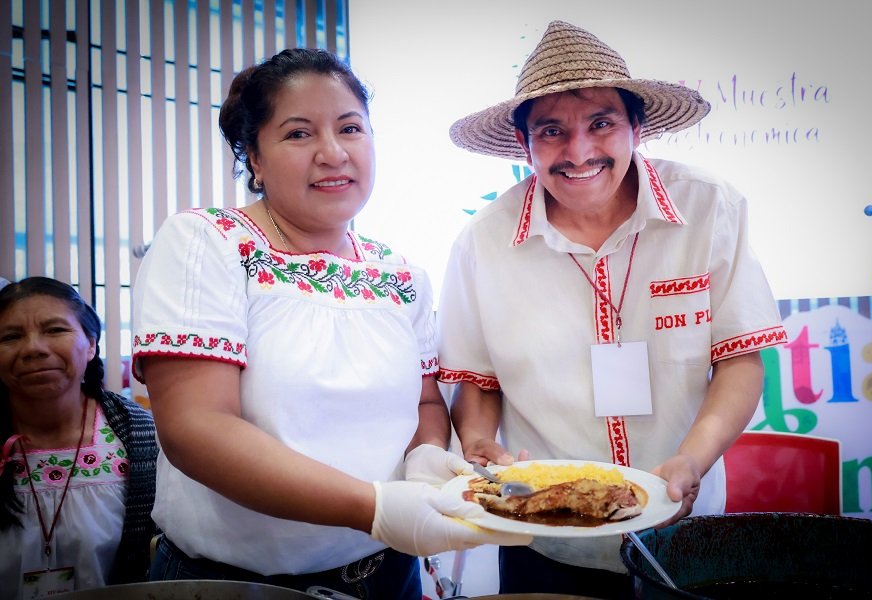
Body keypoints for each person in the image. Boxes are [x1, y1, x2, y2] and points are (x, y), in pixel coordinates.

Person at [130, 47, 529, 600]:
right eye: (298, 134)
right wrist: (377, 508)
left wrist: (425, 461)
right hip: (236, 586)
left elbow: (425, 403)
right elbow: (197, 430)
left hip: (387, 577)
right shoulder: (208, 243)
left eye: (351, 128)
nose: (333, 153)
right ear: (255, 157)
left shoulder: (400, 273)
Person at [437, 20, 788, 598]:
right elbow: (477, 384)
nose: (579, 152)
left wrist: (692, 462)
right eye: (551, 131)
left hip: (687, 526)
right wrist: (478, 443)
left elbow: (740, 361)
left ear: (637, 128)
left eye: (601, 124)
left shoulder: (708, 208)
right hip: (543, 532)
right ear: (525, 144)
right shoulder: (483, 245)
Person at [0, 277, 158, 599]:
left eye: (55, 330)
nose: (33, 348)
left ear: (91, 345)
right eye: (11, 336)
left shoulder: (138, 436)